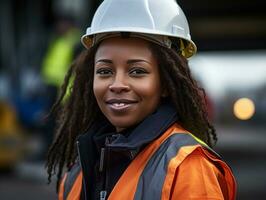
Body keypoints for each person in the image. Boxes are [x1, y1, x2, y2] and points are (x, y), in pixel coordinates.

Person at [46, 0, 237, 199]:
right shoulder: (78, 170)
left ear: (165, 84)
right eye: (104, 71)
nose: (117, 84)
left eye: (137, 71)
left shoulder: (188, 167)